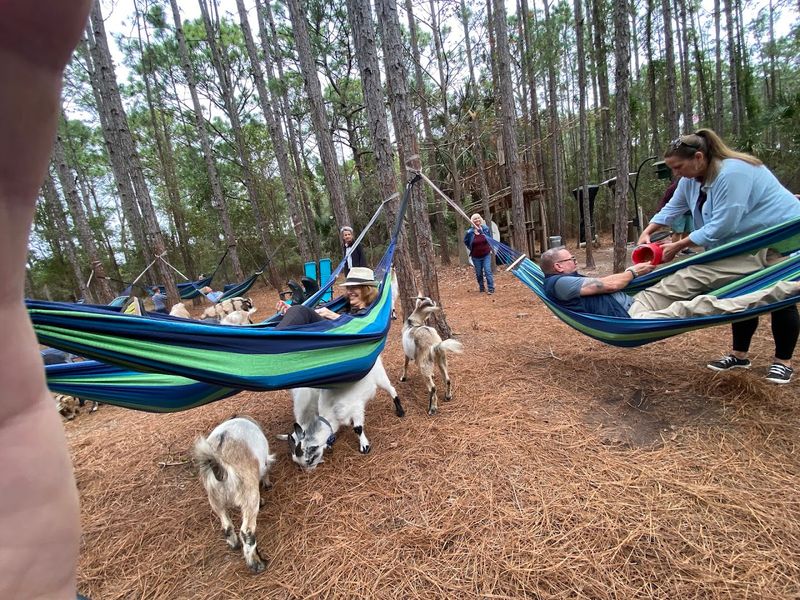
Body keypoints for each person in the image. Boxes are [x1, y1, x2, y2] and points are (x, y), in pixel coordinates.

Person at [1, 1, 93, 598]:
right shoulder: (343, 296)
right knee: (294, 311)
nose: (359, 292)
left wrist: (331, 312)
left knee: (296, 312)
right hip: (300, 328)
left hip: (316, 331)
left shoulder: (355, 306)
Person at [638, 129, 800, 383]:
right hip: (743, 245)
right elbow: (673, 208)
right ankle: (739, 355)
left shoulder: (734, 172)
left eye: (679, 166)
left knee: (779, 292)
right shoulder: (690, 180)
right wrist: (649, 231)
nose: (676, 173)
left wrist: (679, 246)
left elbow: (725, 223)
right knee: (740, 292)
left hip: (782, 238)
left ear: (699, 157)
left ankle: (782, 362)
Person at [541, 247, 799, 320]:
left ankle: (768, 261)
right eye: (570, 259)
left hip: (636, 301)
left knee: (690, 274)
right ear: (558, 266)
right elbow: (609, 286)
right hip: (628, 319)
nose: (574, 261)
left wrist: (633, 275)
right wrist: (632, 272)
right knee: (699, 306)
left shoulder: (568, 277)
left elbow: (607, 282)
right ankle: (789, 288)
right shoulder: (559, 283)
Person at [274, 266, 379, 329]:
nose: (349, 291)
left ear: (367, 290)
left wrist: (332, 315)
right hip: (323, 332)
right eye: (348, 287)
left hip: (334, 337)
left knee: (300, 310)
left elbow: (363, 326)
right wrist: (291, 312)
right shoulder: (346, 305)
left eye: (354, 287)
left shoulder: (369, 312)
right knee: (298, 311)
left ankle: (270, 341)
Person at [657, 177, 695, 254]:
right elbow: (666, 198)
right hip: (678, 213)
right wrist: (660, 209)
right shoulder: (674, 187)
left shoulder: (693, 185)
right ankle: (674, 249)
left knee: (687, 231)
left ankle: (685, 248)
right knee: (678, 231)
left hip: (689, 212)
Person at [463, 213, 495, 294]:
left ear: (480, 219)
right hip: (476, 256)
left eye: (478, 218)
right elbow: (466, 241)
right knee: (479, 273)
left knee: (487, 271)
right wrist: (471, 247)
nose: (477, 220)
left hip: (486, 254)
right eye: (475, 219)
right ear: (472, 221)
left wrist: (490, 248)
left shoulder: (485, 229)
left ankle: (491, 288)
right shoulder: (469, 232)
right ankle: (481, 287)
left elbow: (490, 238)